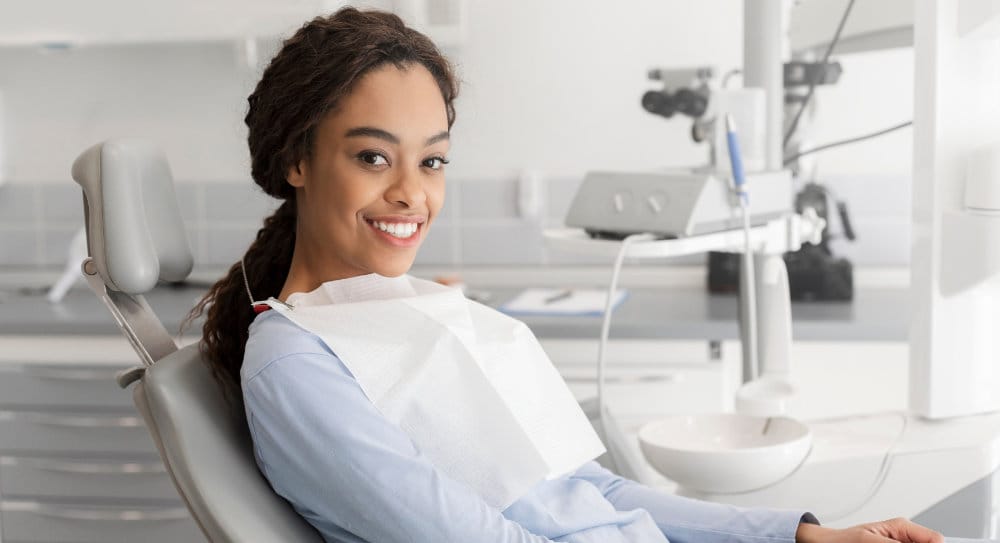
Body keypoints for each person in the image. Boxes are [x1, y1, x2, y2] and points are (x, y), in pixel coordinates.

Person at [189, 7, 948, 543]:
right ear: (297, 159)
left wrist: (799, 533)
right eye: (372, 156)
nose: (411, 193)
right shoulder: (296, 365)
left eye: (433, 159)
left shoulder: (400, 311)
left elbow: (593, 491)